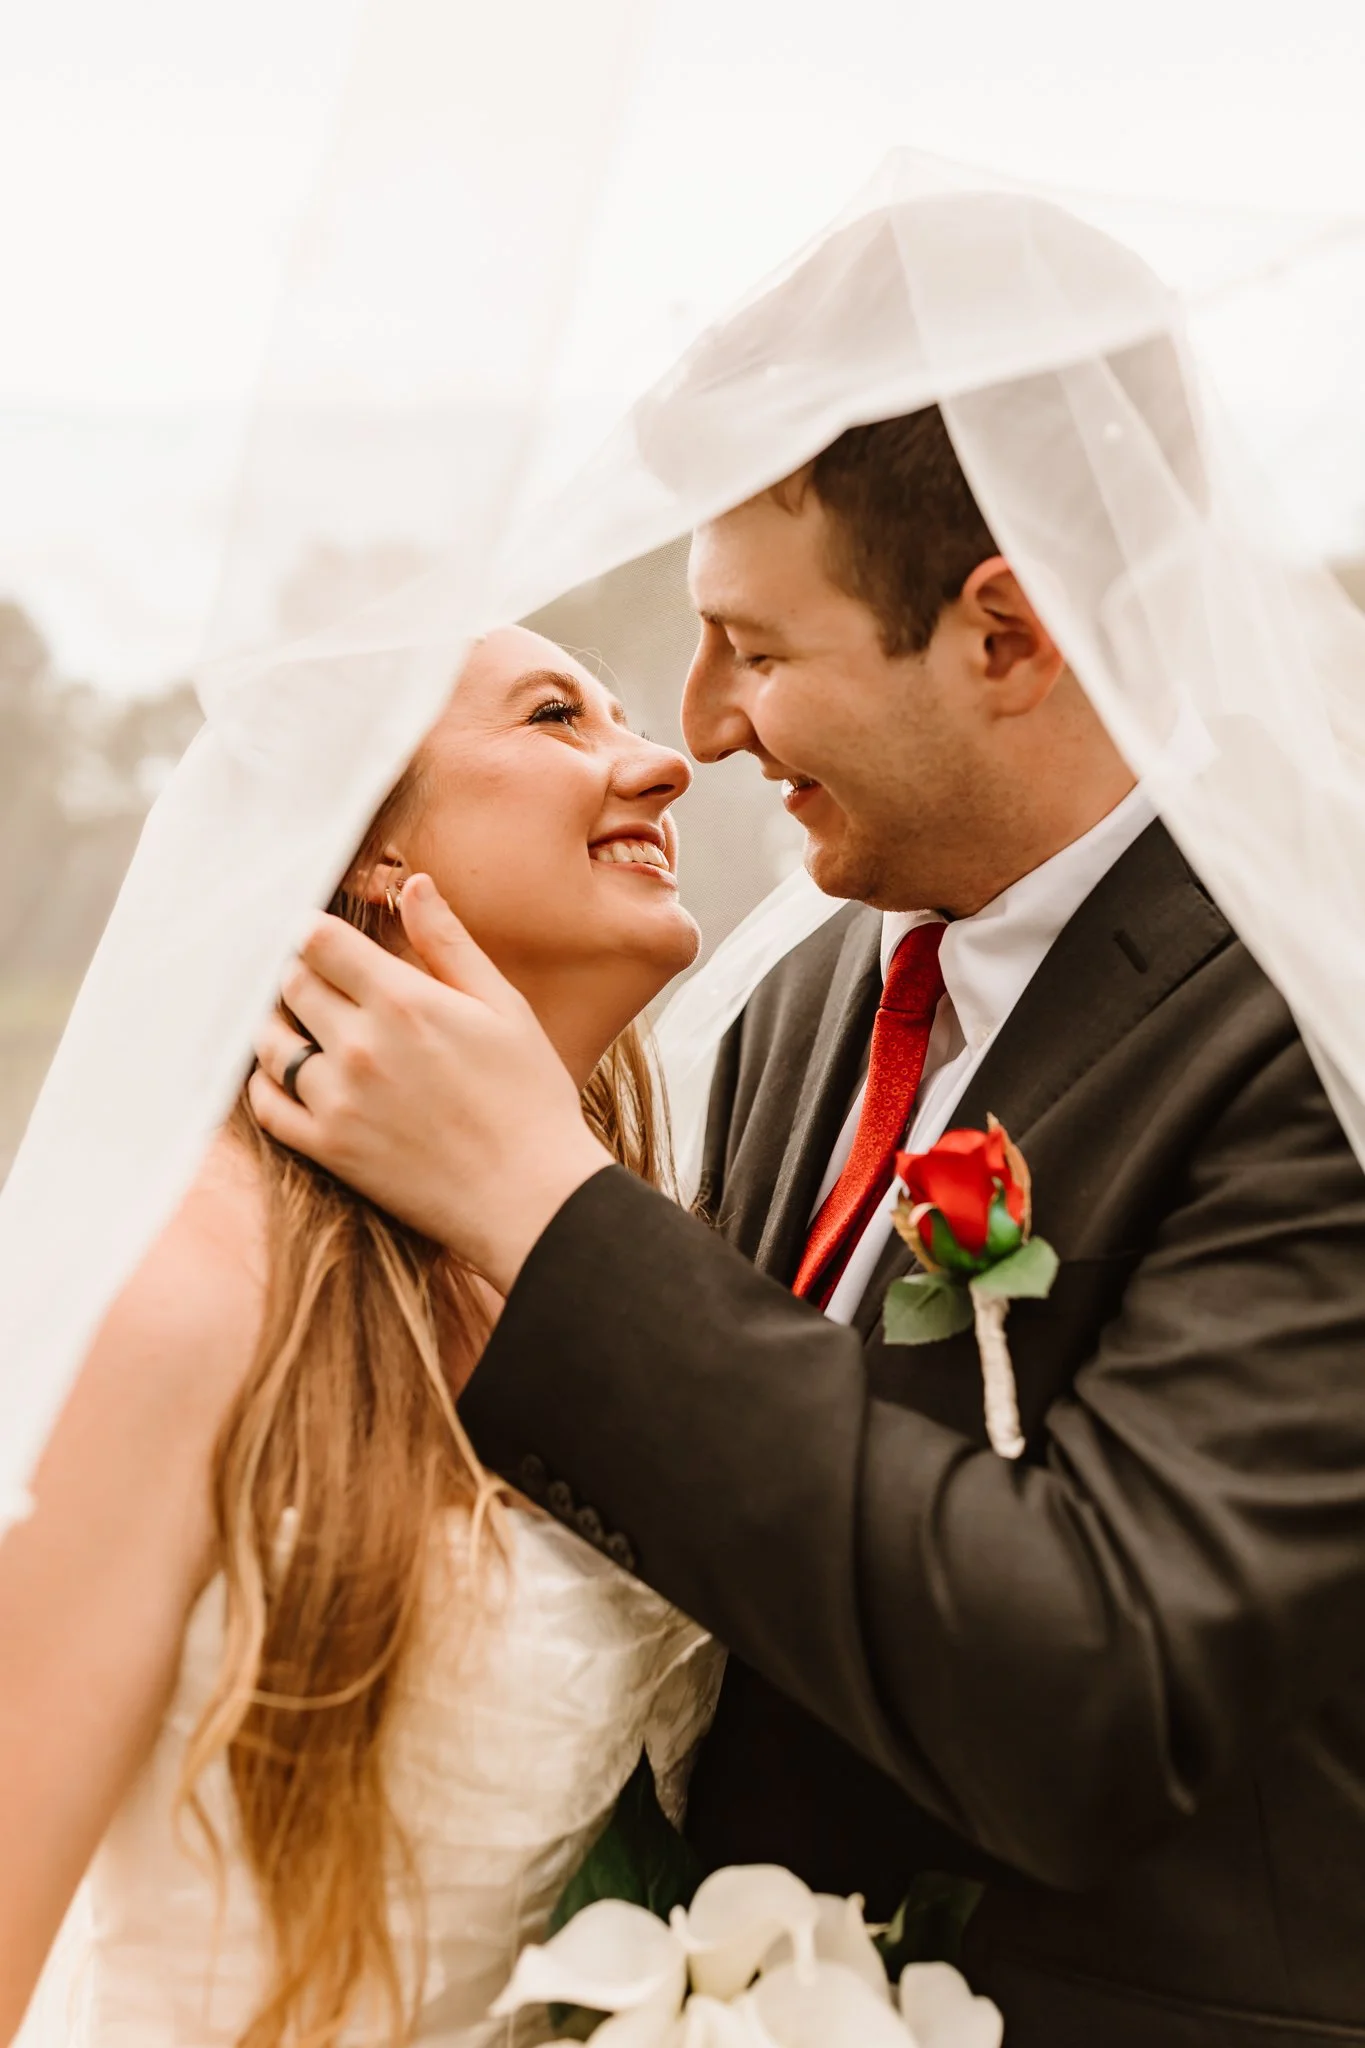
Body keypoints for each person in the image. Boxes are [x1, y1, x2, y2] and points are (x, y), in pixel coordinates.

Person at [252, 409, 1365, 2048]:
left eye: (754, 649)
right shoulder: (805, 997)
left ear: (1005, 636)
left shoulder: (1312, 1032)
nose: (698, 728)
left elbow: (1106, 1693)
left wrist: (553, 1210)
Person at [0, 627, 721, 2048]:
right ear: (371, 863)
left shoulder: (626, 1272)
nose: (664, 761)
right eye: (556, 715)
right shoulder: (190, 1286)